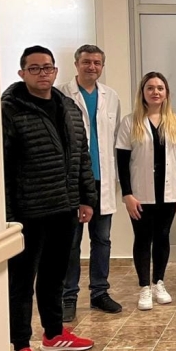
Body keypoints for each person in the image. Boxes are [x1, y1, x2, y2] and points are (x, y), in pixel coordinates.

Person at [3, 45, 96, 351]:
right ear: (22, 73)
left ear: (56, 71)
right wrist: (8, 216)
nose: (43, 73)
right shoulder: (9, 110)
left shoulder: (68, 107)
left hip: (64, 207)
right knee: (21, 282)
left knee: (55, 274)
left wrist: (86, 198)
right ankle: (19, 348)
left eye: (47, 67)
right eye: (35, 68)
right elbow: (3, 168)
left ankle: (54, 334)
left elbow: (82, 156)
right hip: (27, 211)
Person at [116, 72, 176, 311]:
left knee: (162, 237)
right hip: (140, 194)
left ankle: (159, 282)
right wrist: (127, 194)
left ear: (166, 93)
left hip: (169, 192)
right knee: (142, 238)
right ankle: (144, 287)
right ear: (143, 93)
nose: (155, 92)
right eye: (150, 88)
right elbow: (122, 162)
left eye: (160, 88)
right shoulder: (130, 122)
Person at [58, 44, 122, 322]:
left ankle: (99, 293)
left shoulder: (111, 96)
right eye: (86, 62)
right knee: (71, 241)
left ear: (102, 66)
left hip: (101, 178)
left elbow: (115, 137)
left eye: (97, 62)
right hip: (72, 181)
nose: (92, 67)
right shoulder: (61, 94)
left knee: (102, 239)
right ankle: (68, 296)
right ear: (76, 64)